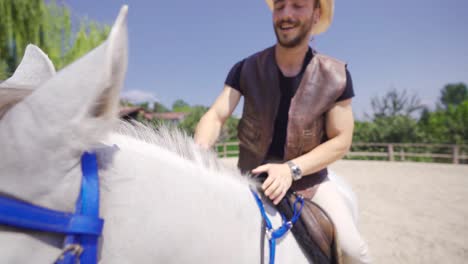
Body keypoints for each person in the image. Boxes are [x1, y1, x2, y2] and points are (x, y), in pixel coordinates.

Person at [194, 0, 371, 263]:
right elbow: (216, 115)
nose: (286, 14)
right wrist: (197, 153)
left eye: (298, 5)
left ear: (316, 13)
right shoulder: (244, 68)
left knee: (354, 251)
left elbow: (341, 140)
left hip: (308, 183)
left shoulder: (337, 75)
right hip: (249, 180)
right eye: (279, 6)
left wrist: (291, 169)